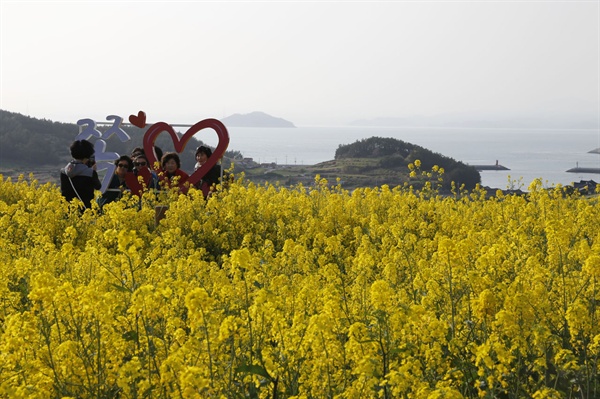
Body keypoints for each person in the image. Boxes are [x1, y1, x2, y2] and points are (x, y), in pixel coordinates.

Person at [60, 139, 102, 209]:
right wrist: (94, 171)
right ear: (88, 155)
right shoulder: (90, 173)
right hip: (85, 210)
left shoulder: (63, 171)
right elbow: (98, 187)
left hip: (67, 210)